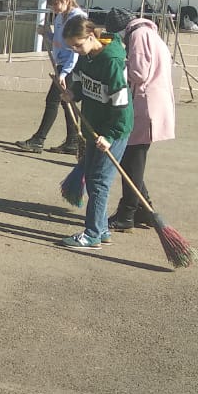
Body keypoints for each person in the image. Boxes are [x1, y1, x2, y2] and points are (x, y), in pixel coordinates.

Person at [58, 16, 132, 249]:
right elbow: (81, 83)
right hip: (93, 127)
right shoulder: (85, 57)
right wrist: (73, 93)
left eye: (78, 45)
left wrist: (110, 136)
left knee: (99, 182)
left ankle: (92, 234)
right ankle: (101, 229)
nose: (75, 50)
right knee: (91, 178)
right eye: (71, 47)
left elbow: (121, 105)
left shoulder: (112, 62)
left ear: (91, 36)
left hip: (113, 131)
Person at [105, 10, 175, 232]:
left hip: (146, 105)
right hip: (152, 102)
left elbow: (138, 73)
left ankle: (127, 213)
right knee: (131, 160)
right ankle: (143, 209)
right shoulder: (149, 33)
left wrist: (116, 66)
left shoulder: (138, 35)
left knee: (132, 160)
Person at [14, 0, 86, 154]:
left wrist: (64, 73)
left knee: (52, 100)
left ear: (66, 1)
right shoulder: (60, 17)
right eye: (52, 5)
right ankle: (73, 141)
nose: (54, 8)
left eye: (56, 4)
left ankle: (39, 140)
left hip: (72, 65)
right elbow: (59, 40)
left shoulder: (77, 18)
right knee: (66, 102)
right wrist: (46, 34)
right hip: (61, 63)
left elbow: (75, 48)